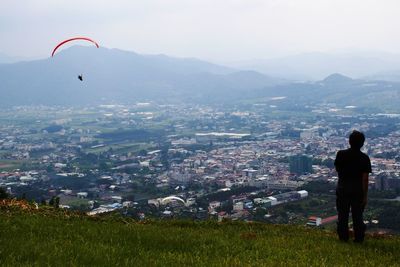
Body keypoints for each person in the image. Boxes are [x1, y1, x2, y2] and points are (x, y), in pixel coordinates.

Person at [334, 130, 371, 243]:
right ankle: (358, 239)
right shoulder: (364, 158)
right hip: (357, 190)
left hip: (343, 188)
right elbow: (365, 179)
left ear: (349, 142)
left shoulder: (341, 154)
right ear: (362, 143)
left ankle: (343, 238)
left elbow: (338, 169)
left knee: (342, 215)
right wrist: (365, 196)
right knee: (357, 216)